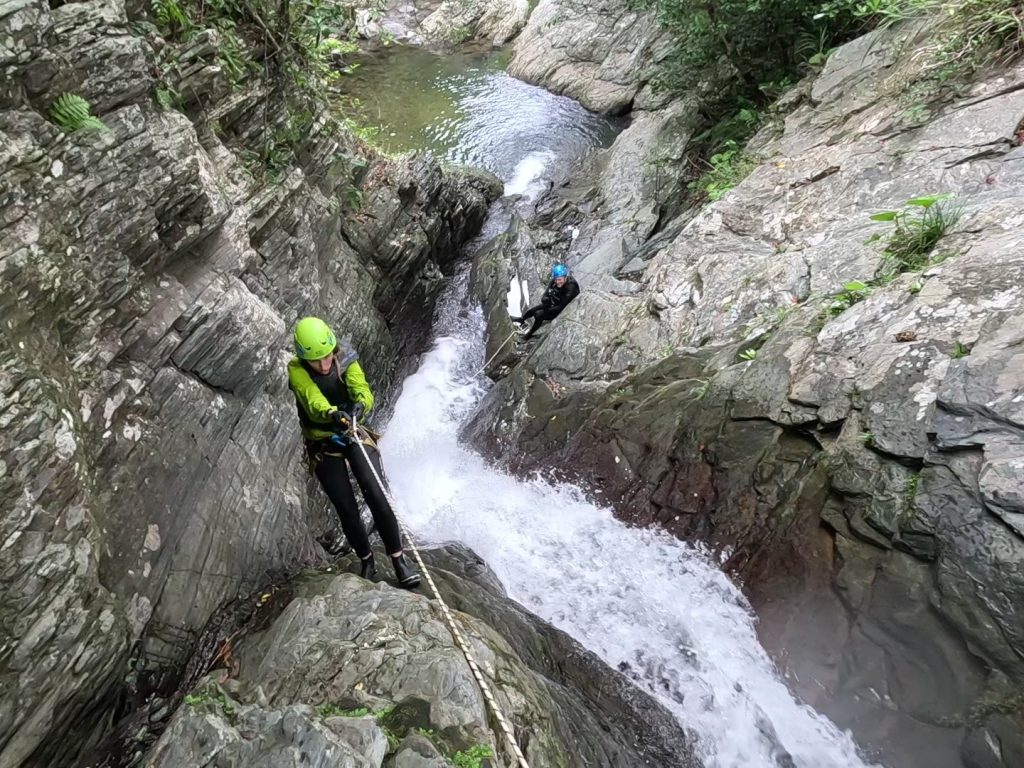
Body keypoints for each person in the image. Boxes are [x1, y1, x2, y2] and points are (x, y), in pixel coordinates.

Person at [288, 316, 421, 589]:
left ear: (333, 349)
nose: (324, 365)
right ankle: (366, 560)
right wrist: (331, 414)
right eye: (316, 361)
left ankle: (398, 560)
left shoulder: (345, 356)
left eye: (327, 357)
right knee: (345, 507)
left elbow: (362, 389)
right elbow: (312, 399)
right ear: (304, 358)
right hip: (323, 441)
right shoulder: (297, 370)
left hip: (353, 432)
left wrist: (361, 405)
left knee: (377, 492)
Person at [511, 263, 580, 340]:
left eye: (559, 280)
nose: (557, 282)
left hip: (564, 308)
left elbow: (562, 306)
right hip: (556, 302)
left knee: (538, 314)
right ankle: (521, 320)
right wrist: (545, 299)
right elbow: (545, 294)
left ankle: (529, 334)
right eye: (556, 279)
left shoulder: (571, 287)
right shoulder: (555, 281)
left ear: (565, 277)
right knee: (534, 309)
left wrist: (547, 310)